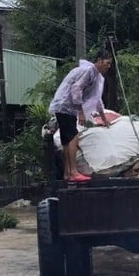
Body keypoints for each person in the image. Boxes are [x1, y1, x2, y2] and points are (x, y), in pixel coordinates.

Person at [48, 49, 112, 181]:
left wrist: (104, 118)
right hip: (66, 107)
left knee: (67, 141)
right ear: (99, 61)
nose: (109, 66)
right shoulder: (88, 71)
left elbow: (96, 99)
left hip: (66, 108)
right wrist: (81, 112)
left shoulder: (95, 76)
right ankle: (73, 172)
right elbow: (76, 90)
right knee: (73, 137)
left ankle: (67, 172)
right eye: (107, 63)